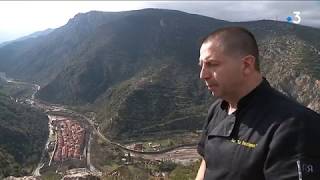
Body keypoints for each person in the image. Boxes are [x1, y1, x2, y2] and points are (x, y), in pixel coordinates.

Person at [196, 26, 320, 180]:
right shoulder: (217, 109)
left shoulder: (296, 124)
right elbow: (206, 162)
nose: (203, 75)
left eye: (212, 64)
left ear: (247, 65)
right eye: (201, 66)